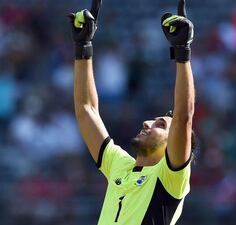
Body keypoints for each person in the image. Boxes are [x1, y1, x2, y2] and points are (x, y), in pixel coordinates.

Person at [68, 0, 195, 224]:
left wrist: (182, 52)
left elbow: (184, 118)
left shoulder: (170, 178)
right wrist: (83, 48)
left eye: (161, 125)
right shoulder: (120, 165)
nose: (147, 123)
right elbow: (86, 110)